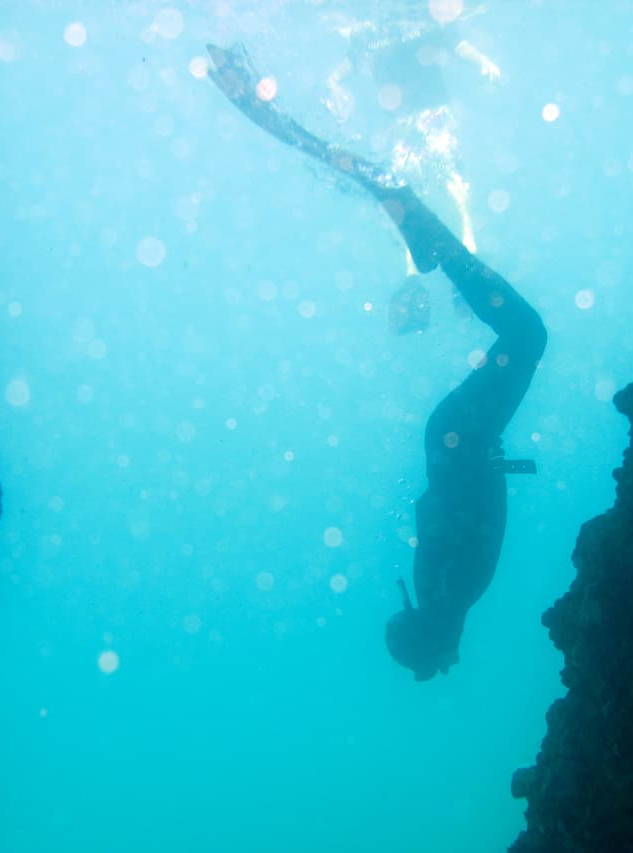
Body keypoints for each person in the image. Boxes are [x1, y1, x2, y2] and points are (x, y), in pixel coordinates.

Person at [206, 43, 546, 680]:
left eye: (443, 657)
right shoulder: (443, 591)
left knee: (526, 336)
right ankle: (429, 240)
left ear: (435, 638)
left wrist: (475, 463)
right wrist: (476, 465)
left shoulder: (451, 593)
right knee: (525, 335)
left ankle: (431, 240)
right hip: (457, 440)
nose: (454, 656)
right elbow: (437, 509)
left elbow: (452, 510)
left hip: (463, 439)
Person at [321, 13, 502, 334]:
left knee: (416, 189)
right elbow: (350, 62)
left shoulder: (402, 22)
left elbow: (456, 43)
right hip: (411, 122)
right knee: (441, 184)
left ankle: (427, 265)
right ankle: (430, 265)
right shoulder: (375, 29)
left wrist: (482, 61)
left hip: (419, 119)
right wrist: (332, 81)